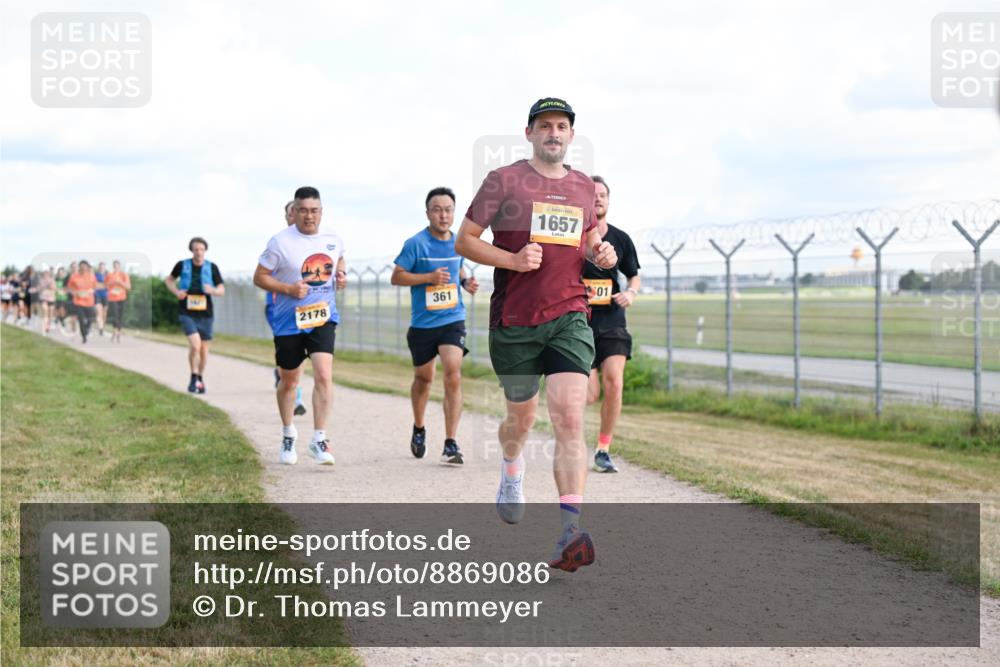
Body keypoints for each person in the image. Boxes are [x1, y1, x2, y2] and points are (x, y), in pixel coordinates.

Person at [454, 97, 617, 572]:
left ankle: (570, 530)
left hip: (569, 313)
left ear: (571, 136)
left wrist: (600, 255)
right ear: (528, 133)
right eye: (545, 125)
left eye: (562, 126)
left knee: (568, 415)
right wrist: (511, 260)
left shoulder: (585, 187)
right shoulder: (503, 180)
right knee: (520, 421)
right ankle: (511, 467)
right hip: (516, 320)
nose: (554, 132)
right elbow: (466, 240)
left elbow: (586, 242)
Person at [253, 186, 347, 466]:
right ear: (293, 212)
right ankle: (288, 433)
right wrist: (287, 289)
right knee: (289, 381)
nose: (309, 216)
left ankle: (319, 439)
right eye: (303, 210)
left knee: (323, 375)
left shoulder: (333, 238)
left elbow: (339, 257)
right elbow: (259, 277)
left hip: (322, 316)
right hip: (289, 321)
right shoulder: (279, 242)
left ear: (322, 212)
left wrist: (340, 274)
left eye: (314, 210)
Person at [391, 186, 479, 465]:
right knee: (424, 379)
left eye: (448, 209)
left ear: (454, 212)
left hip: (452, 319)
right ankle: (419, 427)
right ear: (428, 213)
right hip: (423, 324)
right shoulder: (416, 244)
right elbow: (398, 276)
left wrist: (465, 282)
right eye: (437, 209)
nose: (443, 214)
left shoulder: (459, 242)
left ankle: (451, 442)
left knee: (453, 372)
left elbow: (459, 267)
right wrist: (427, 277)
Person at [582, 175, 641, 473]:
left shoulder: (621, 238)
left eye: (603, 194)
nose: (599, 198)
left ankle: (603, 449)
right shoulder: (576, 240)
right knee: (589, 395)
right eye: (593, 194)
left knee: (614, 382)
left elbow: (634, 274)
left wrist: (630, 292)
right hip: (581, 323)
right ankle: (567, 432)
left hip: (613, 322)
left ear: (609, 200)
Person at [165, 237, 225, 393]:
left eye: (201, 249)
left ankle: (199, 378)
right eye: (196, 249)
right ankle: (193, 377)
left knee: (204, 350)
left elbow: (221, 289)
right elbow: (169, 280)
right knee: (195, 345)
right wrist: (176, 292)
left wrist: (212, 290)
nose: (199, 252)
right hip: (186, 311)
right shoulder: (182, 265)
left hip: (206, 313)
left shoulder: (212, 267)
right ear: (191, 250)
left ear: (205, 250)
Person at [266, 201, 307, 417]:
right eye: (292, 213)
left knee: (306, 352)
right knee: (289, 351)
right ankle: (286, 377)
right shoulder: (279, 243)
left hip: (308, 307)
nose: (297, 216)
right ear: (287, 216)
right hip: (279, 307)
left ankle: (295, 392)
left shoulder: (314, 242)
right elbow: (264, 276)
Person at [67, 260, 98, 343]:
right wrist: (75, 293)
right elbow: (69, 288)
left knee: (91, 318)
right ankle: (84, 336)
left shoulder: (91, 276)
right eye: (81, 266)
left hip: (89, 301)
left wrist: (91, 291)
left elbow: (95, 287)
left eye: (85, 266)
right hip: (78, 301)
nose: (83, 268)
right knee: (81, 319)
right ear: (79, 267)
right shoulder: (74, 276)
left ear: (87, 267)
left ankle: (87, 329)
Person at [106, 260, 132, 343]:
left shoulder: (124, 275)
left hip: (122, 298)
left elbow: (128, 287)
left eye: (117, 265)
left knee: (120, 316)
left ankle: (117, 333)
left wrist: (120, 282)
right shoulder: (109, 275)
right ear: (113, 266)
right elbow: (105, 285)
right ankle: (115, 331)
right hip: (112, 298)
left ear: (119, 266)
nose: (116, 267)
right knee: (115, 315)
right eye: (114, 265)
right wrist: (111, 282)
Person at [54, 266, 71, 334]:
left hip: (64, 298)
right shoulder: (56, 279)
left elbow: (68, 288)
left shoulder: (66, 280)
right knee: (58, 311)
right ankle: (59, 320)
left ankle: (61, 321)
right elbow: (53, 287)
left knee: (62, 310)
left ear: (64, 273)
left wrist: (64, 291)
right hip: (57, 297)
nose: (60, 273)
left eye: (62, 272)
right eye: (59, 272)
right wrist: (57, 290)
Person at [38, 269, 56, 335]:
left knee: (50, 314)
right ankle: (44, 330)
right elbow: (40, 288)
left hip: (51, 299)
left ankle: (48, 326)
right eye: (44, 273)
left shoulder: (52, 280)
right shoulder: (41, 281)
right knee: (45, 312)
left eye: (47, 273)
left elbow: (54, 288)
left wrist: (50, 286)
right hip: (44, 298)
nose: (46, 275)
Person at [94, 261, 109, 336]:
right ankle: (100, 328)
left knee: (104, 313)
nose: (101, 268)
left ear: (105, 267)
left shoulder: (108, 275)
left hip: (106, 295)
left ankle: (102, 327)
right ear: (99, 267)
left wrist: (103, 285)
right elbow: (94, 285)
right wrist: (102, 285)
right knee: (99, 312)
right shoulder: (95, 275)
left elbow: (109, 285)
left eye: (103, 266)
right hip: (97, 295)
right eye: (100, 266)